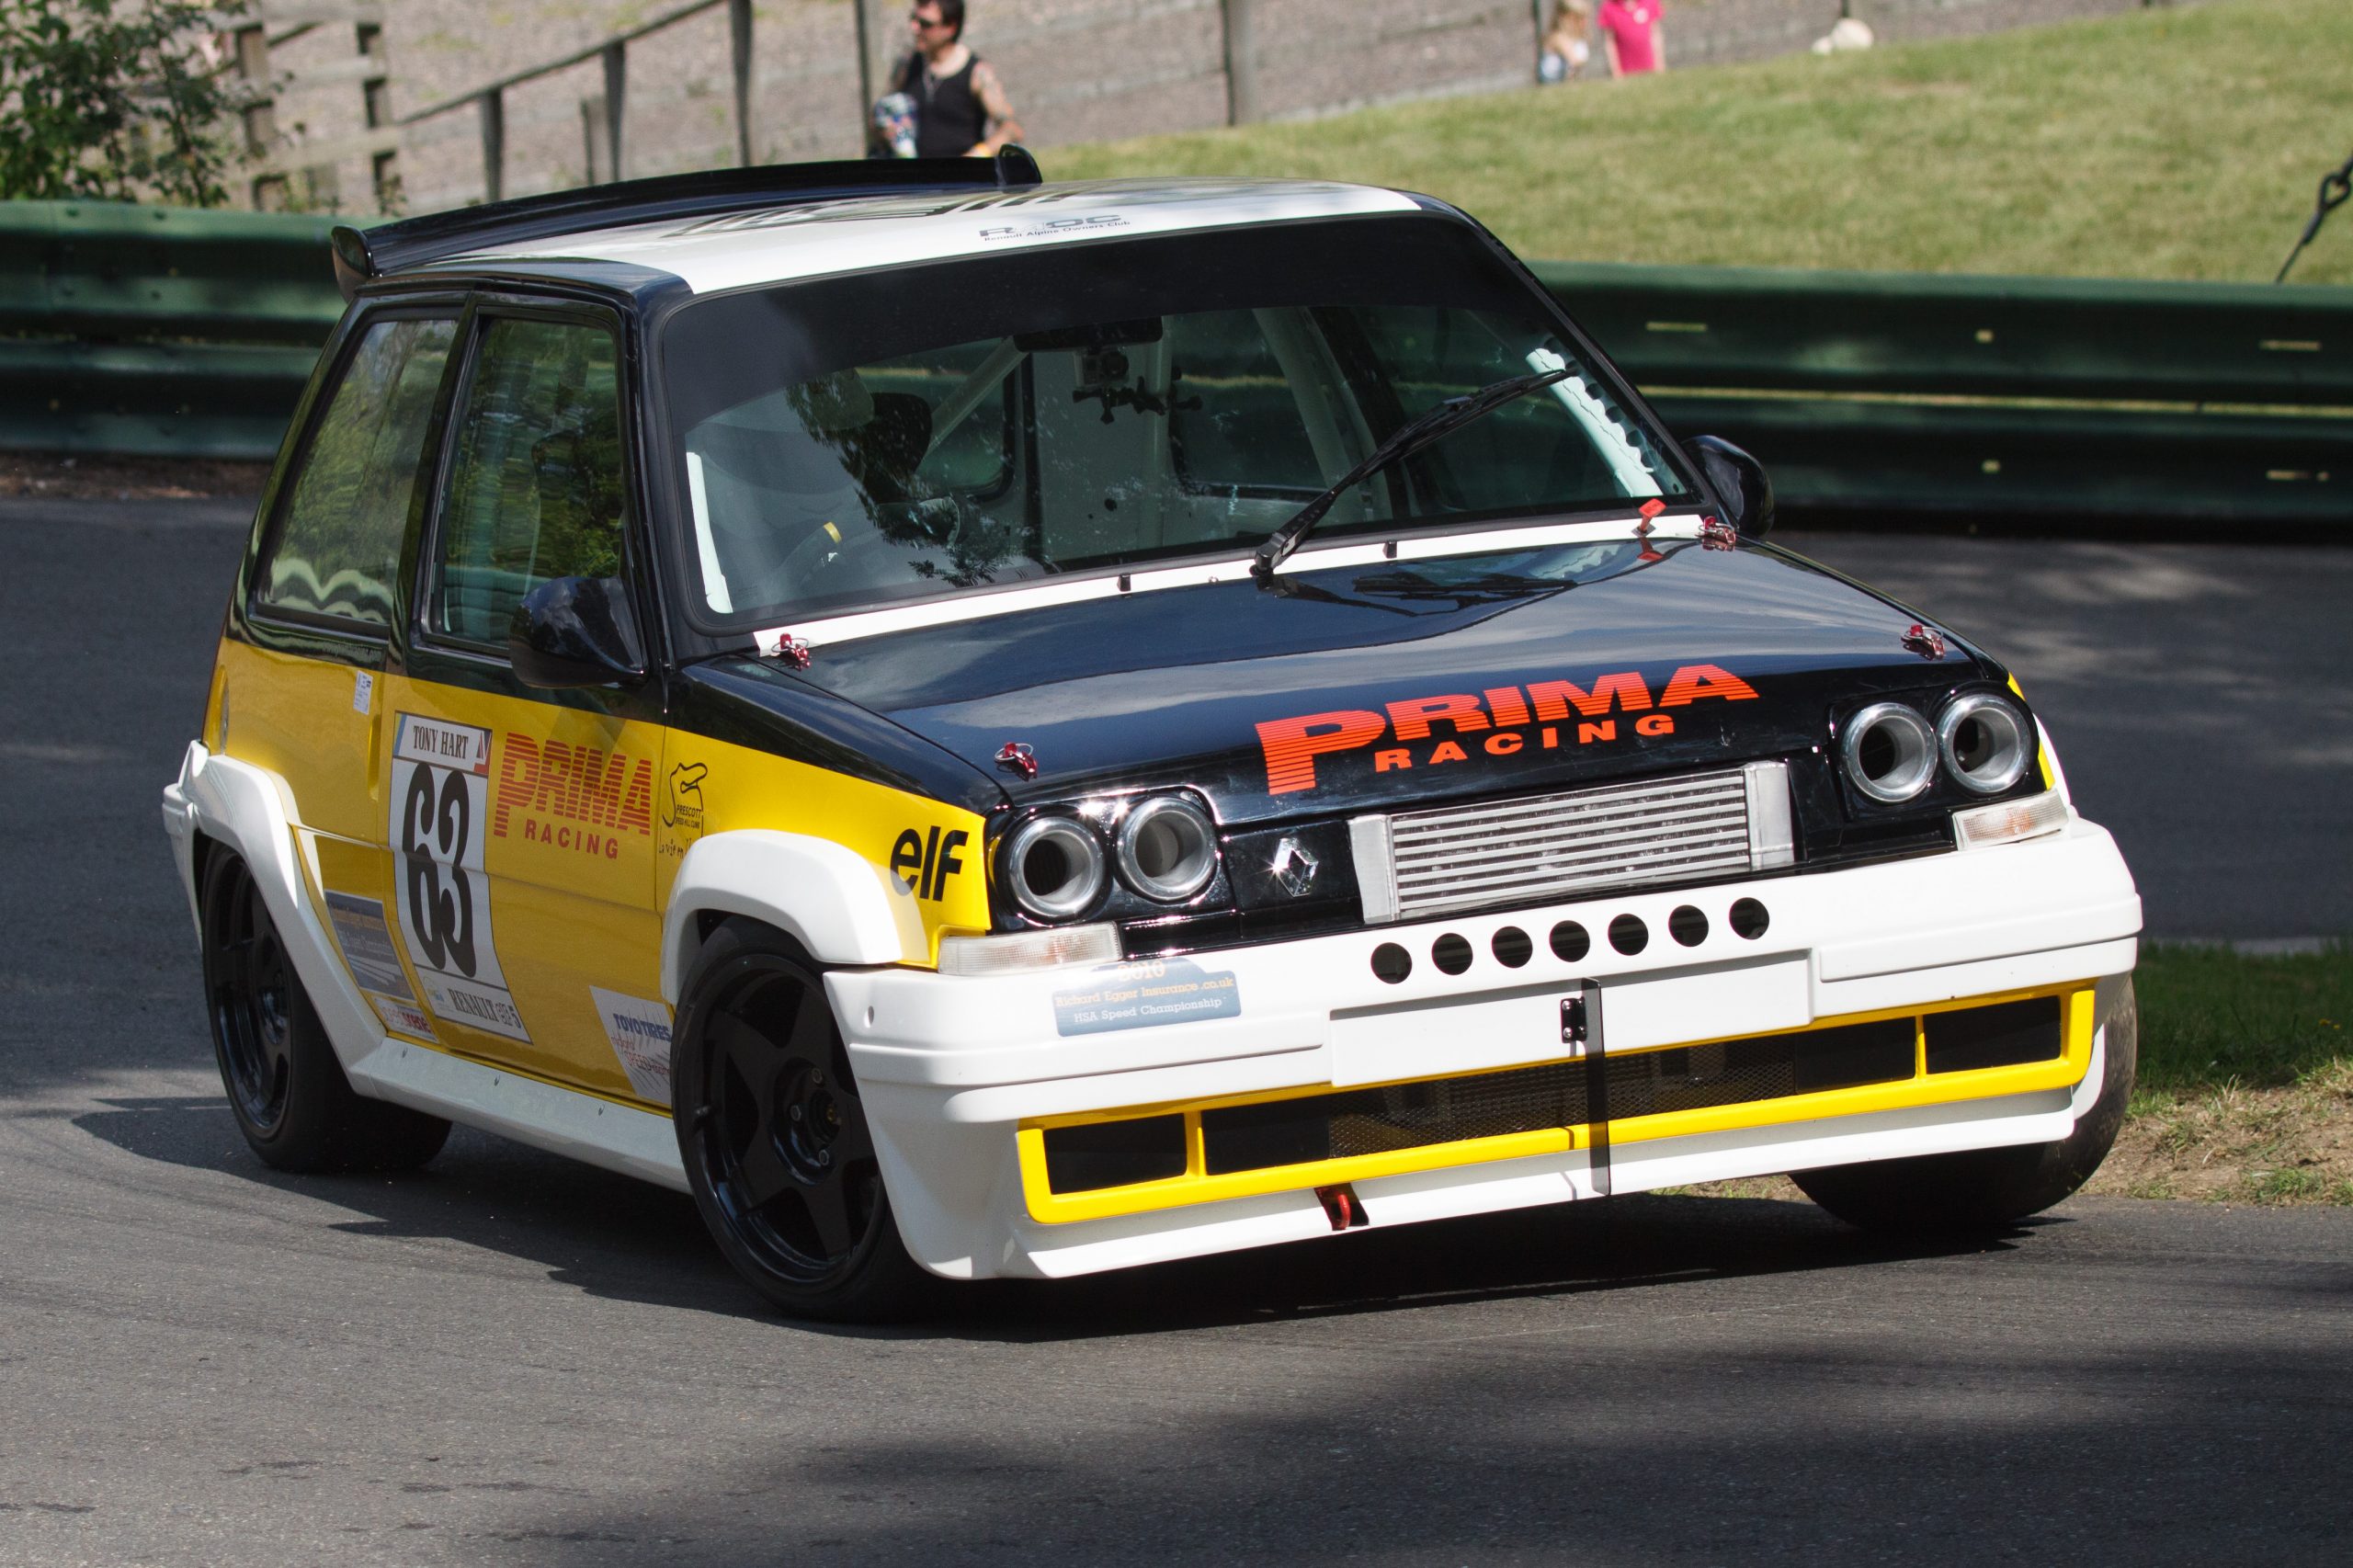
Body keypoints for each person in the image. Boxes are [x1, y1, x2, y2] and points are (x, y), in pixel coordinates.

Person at [878, 1, 1025, 158]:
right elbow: (881, 117)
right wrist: (885, 128)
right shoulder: (906, 66)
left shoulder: (976, 73)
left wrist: (975, 156)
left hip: (962, 178)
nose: (915, 28)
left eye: (925, 24)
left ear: (951, 27)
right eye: (913, 19)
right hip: (916, 177)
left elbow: (1011, 129)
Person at [1596, 0, 1665, 77]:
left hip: (1651, 69)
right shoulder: (1609, 7)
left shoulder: (1650, 2)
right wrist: (1616, 72)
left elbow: (1655, 34)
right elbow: (1609, 42)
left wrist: (1660, 64)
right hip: (1627, 72)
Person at [1538, 1, 1593, 85]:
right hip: (1552, 85)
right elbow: (1574, 60)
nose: (1585, 22)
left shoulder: (1579, 38)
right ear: (1566, 18)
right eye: (1579, 18)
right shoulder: (1558, 38)